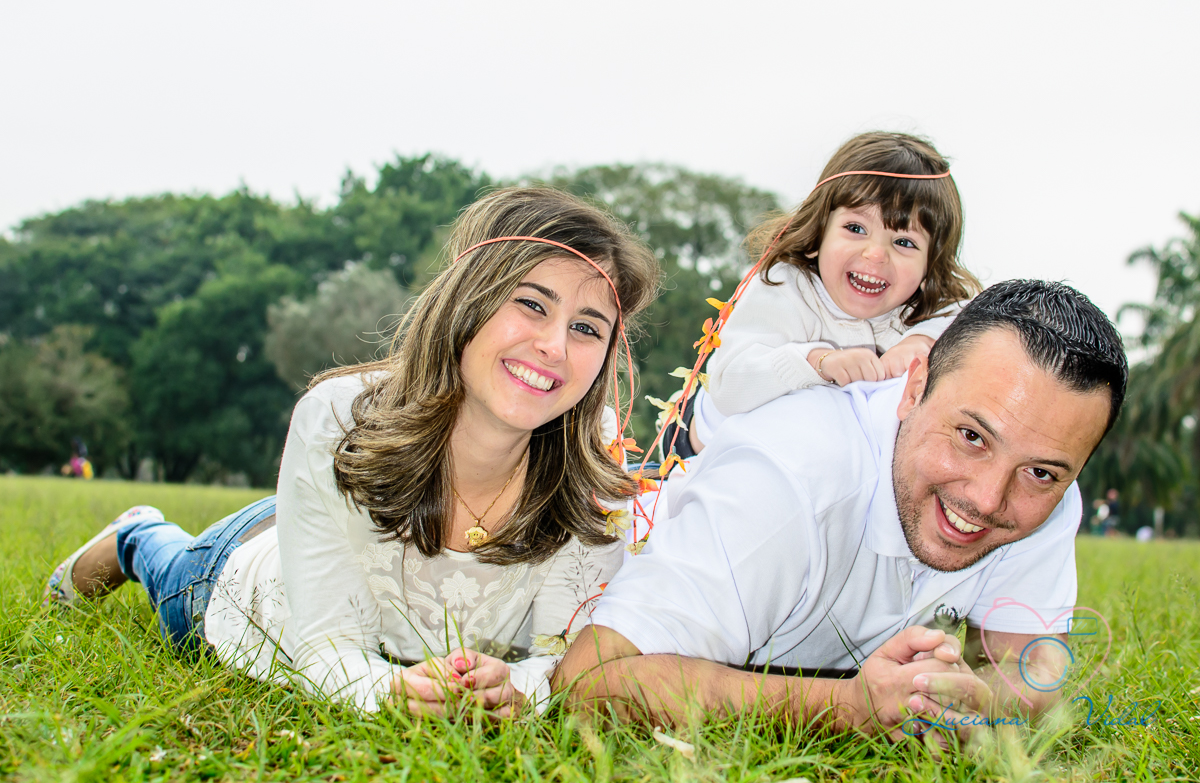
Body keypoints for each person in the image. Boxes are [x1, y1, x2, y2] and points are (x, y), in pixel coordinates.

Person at [43, 187, 660, 716]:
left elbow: (560, 653)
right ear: (468, 300)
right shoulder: (339, 416)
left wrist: (519, 690)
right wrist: (389, 690)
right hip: (254, 580)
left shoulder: (596, 456)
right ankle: (136, 534)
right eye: (531, 303)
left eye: (586, 328)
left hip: (335, 536)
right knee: (175, 577)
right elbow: (324, 647)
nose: (555, 345)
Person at [556, 280, 1127, 741]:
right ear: (914, 386)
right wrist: (845, 706)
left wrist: (971, 698)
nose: (986, 499)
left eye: (1043, 473)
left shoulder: (1044, 489)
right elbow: (586, 683)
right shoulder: (787, 480)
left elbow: (1034, 667)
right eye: (972, 436)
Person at [664, 132, 980, 460]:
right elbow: (728, 388)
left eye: (904, 242)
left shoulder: (925, 311)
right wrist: (817, 362)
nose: (875, 254)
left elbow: (976, 321)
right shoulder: (785, 285)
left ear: (931, 264)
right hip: (700, 451)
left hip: (811, 463)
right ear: (818, 234)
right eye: (856, 228)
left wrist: (921, 342)